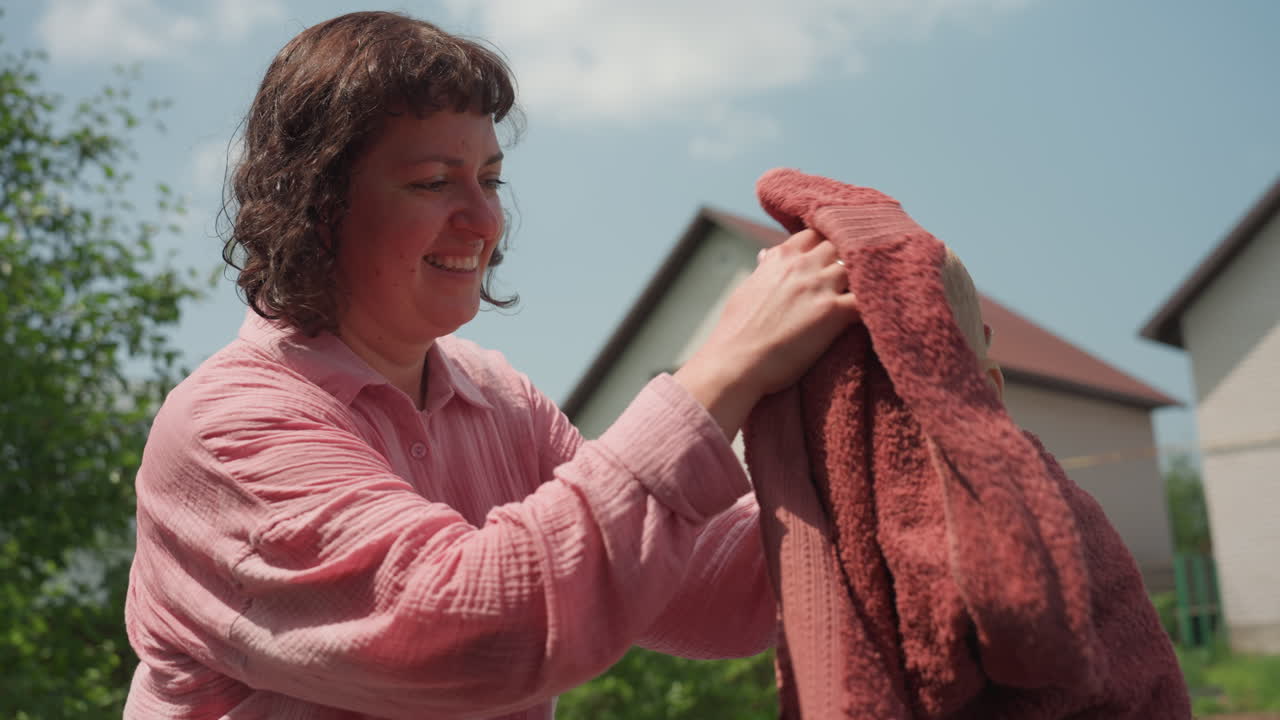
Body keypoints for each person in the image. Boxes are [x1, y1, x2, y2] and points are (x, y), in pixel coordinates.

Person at [123, 11, 859, 719]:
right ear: (318, 205)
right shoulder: (227, 427)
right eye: (433, 182)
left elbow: (712, 586)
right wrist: (729, 367)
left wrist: (878, 430)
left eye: (491, 179)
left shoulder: (499, 399)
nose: (483, 220)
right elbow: (472, 633)